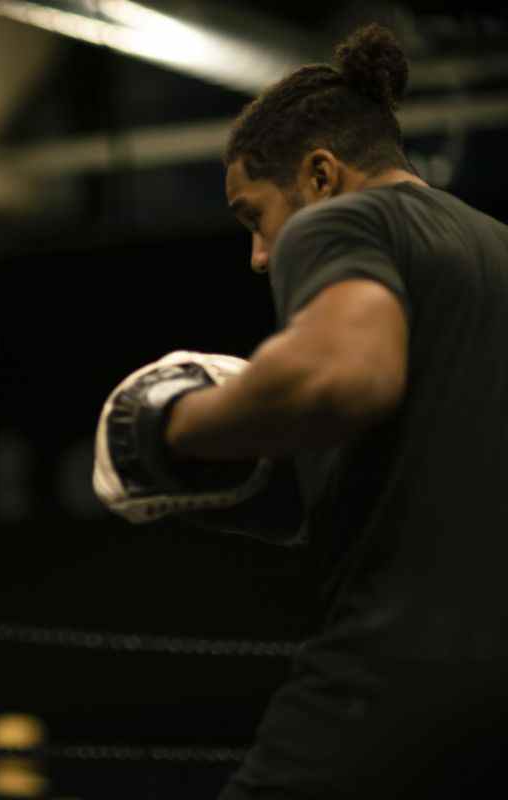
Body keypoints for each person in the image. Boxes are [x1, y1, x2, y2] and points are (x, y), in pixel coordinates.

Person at [93, 23, 508, 799]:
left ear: (319, 176)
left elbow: (344, 377)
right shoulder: (494, 247)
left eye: (255, 218)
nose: (258, 256)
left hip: (393, 677)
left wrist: (169, 427)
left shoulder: (343, 220)